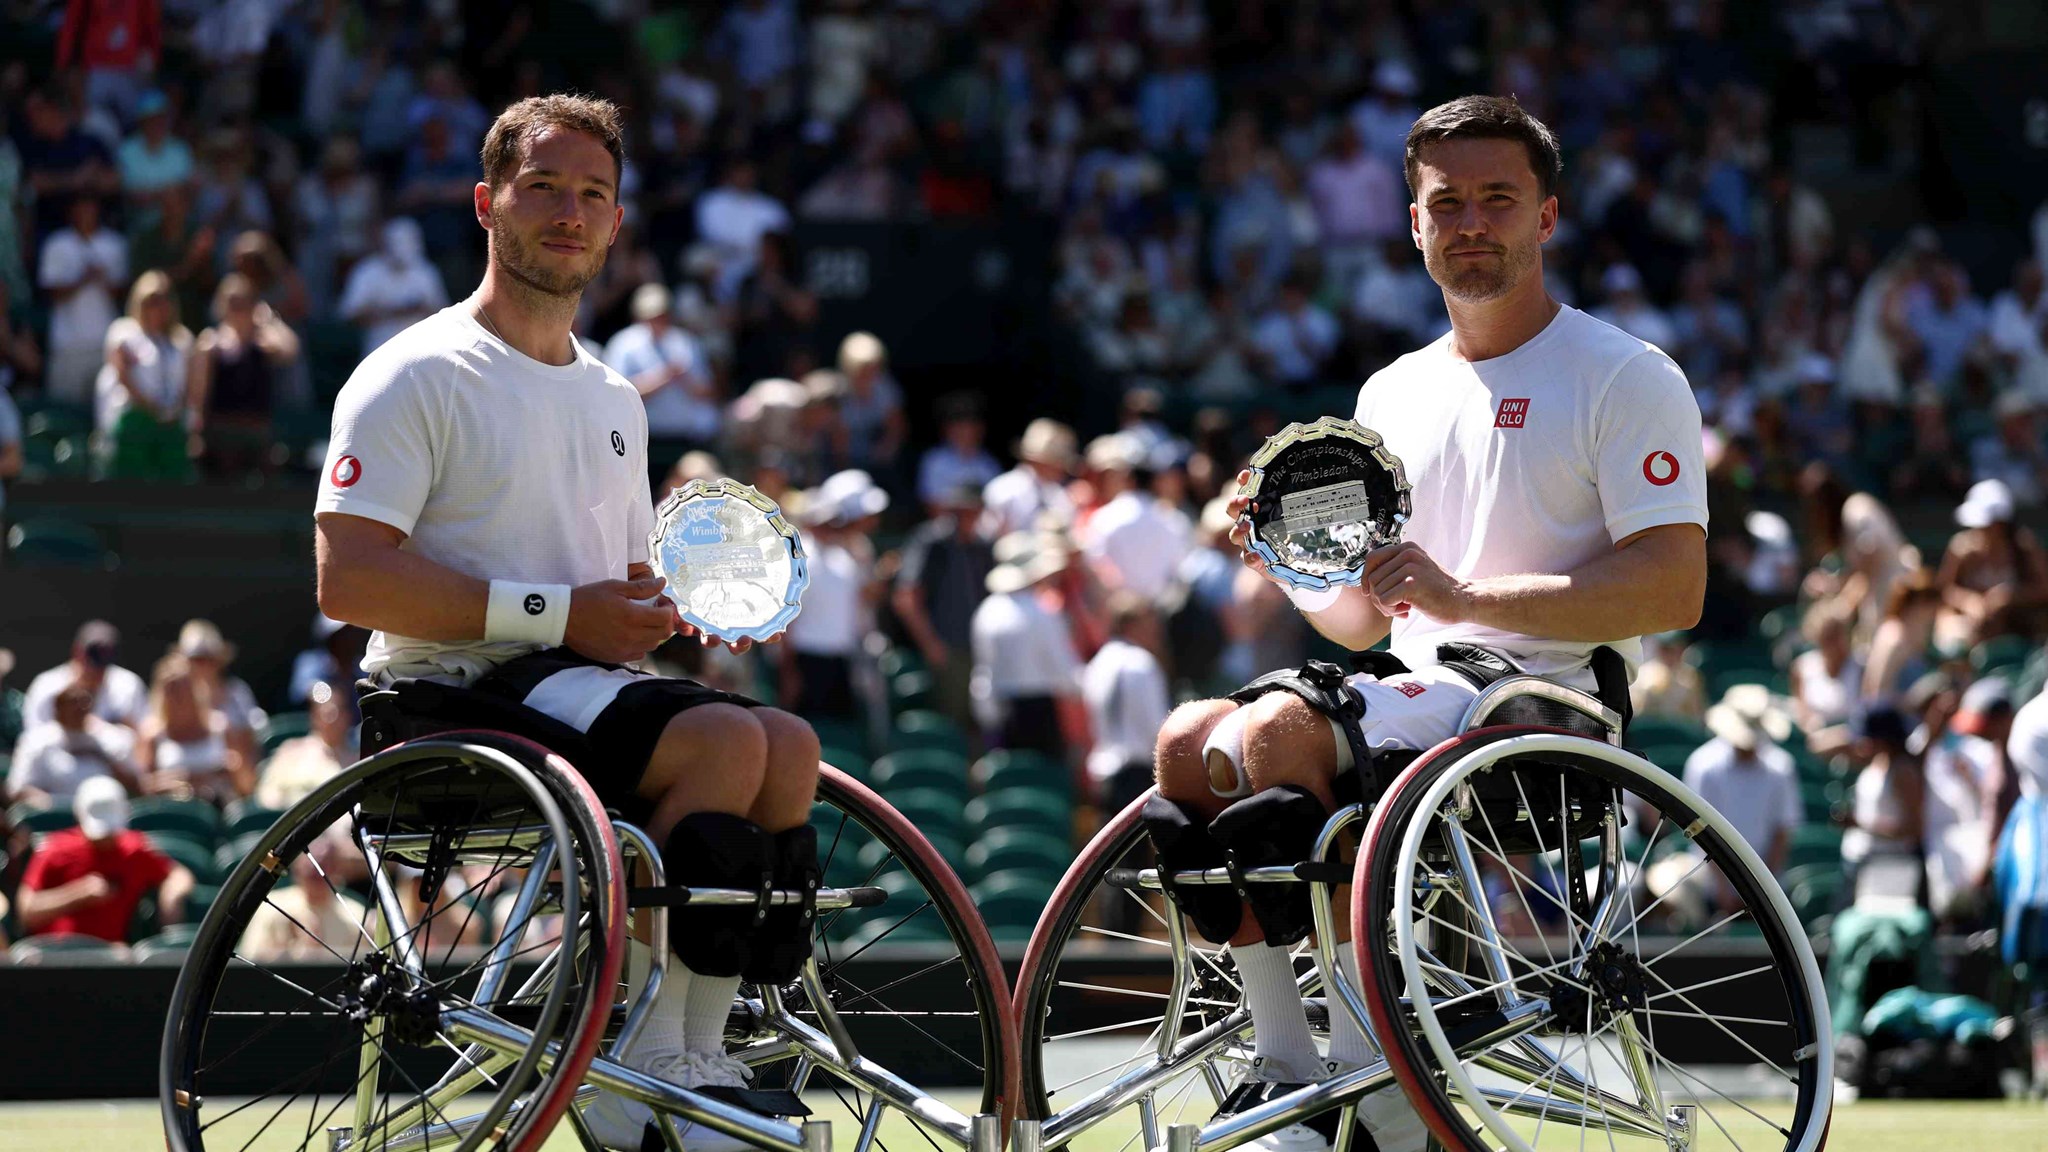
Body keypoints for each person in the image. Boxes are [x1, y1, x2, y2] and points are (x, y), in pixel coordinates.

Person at [1148, 97, 1707, 1152]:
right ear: (1411, 225)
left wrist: (1462, 599)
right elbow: (1366, 622)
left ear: (1547, 217)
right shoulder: (1390, 392)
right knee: (1183, 740)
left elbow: (1672, 589)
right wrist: (1279, 557)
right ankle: (1282, 1067)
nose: (1469, 223)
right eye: (1443, 202)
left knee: (1276, 734)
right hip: (1417, 698)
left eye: (1497, 199)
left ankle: (1368, 1084)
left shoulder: (1625, 374)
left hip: (1543, 706)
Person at [313, 95, 821, 1152]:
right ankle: (656, 1060)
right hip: (441, 697)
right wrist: (561, 614)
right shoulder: (412, 370)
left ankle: (697, 1047)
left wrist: (670, 612)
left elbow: (615, 594)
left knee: (787, 747)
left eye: (593, 194)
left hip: (571, 689)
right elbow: (348, 580)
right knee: (727, 738)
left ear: (618, 224)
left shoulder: (616, 400)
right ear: (486, 202)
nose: (568, 212)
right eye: (542, 187)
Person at [15, 775, 194, 945]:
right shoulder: (55, 849)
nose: (104, 839)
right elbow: (27, 911)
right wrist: (78, 894)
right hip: (53, 954)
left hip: (109, 957)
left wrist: (172, 897)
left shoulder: (134, 850)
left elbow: (178, 874)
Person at [779, 470, 886, 721]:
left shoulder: (845, 557)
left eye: (834, 522)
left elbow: (863, 600)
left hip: (842, 656)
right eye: (824, 522)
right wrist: (789, 671)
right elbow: (788, 618)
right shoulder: (799, 556)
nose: (830, 528)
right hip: (808, 658)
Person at [891, 481, 995, 733]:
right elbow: (906, 597)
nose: (968, 517)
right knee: (952, 721)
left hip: (980, 648)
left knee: (984, 720)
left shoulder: (983, 545)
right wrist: (931, 644)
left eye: (973, 510)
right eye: (961, 511)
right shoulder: (931, 541)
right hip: (947, 648)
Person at [970, 533, 1085, 759]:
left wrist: (987, 715)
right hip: (1040, 712)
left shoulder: (987, 611)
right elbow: (1062, 666)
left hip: (1004, 710)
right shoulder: (1042, 612)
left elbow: (983, 672)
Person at [188, 273, 300, 476]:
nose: (238, 309)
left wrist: (269, 321)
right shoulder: (210, 343)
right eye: (232, 303)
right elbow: (199, 394)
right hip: (221, 432)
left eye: (243, 303)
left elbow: (290, 350)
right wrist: (197, 432)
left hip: (257, 431)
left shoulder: (265, 343)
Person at [1684, 688, 1802, 875]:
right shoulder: (1703, 766)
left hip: (1766, 881)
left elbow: (1783, 832)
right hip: (1708, 878)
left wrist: (1762, 889)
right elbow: (1698, 830)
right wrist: (1723, 890)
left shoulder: (1781, 768)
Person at [95, 267, 193, 480]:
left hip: (171, 419)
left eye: (163, 300)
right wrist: (152, 408)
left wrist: (172, 410)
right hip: (134, 417)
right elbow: (122, 374)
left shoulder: (182, 339)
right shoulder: (123, 331)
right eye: (151, 300)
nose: (158, 307)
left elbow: (188, 383)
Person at [1083, 593, 1173, 817]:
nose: (1156, 631)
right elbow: (1158, 727)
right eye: (1149, 623)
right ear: (1132, 625)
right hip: (1136, 775)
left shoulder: (1098, 662)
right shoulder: (1140, 663)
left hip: (1102, 774)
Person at [603, 282, 719, 445]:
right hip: (641, 437)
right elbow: (617, 394)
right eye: (651, 315)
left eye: (662, 315)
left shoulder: (686, 342)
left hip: (684, 435)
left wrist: (684, 378)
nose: (658, 320)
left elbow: (707, 392)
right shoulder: (623, 344)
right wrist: (664, 376)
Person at [39, 193, 128, 403]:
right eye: (81, 208)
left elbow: (123, 293)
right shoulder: (57, 244)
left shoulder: (115, 244)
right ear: (71, 212)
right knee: (63, 407)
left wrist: (103, 279)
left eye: (91, 208)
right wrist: (82, 279)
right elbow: (51, 293)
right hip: (66, 346)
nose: (86, 214)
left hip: (104, 344)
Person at [136, 653, 253, 804]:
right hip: (173, 813)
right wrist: (182, 781)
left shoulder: (221, 727)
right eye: (172, 690)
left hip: (221, 810)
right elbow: (144, 787)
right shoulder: (152, 735)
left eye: (184, 688)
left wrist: (234, 768)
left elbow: (247, 787)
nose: (178, 697)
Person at [7, 681, 140, 807]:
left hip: (105, 815)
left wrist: (104, 759)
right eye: (70, 701)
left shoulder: (113, 738)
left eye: (84, 700)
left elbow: (137, 787)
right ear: (57, 707)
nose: (78, 707)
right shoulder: (35, 741)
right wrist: (54, 806)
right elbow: (18, 790)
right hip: (55, 820)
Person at [23, 619, 148, 730]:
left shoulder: (129, 685)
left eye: (107, 655)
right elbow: (33, 737)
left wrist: (105, 731)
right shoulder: (47, 685)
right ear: (77, 651)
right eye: (93, 655)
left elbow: (142, 735)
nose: (96, 670)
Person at [253, 680, 356, 810]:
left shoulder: (358, 758)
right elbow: (267, 796)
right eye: (326, 713)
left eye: (337, 712)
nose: (332, 719)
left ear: (348, 716)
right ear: (315, 716)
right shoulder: (291, 751)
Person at [982, 417, 1078, 537]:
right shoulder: (1003, 491)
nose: (1062, 469)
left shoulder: (1061, 495)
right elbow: (987, 537)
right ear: (1039, 461)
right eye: (1058, 462)